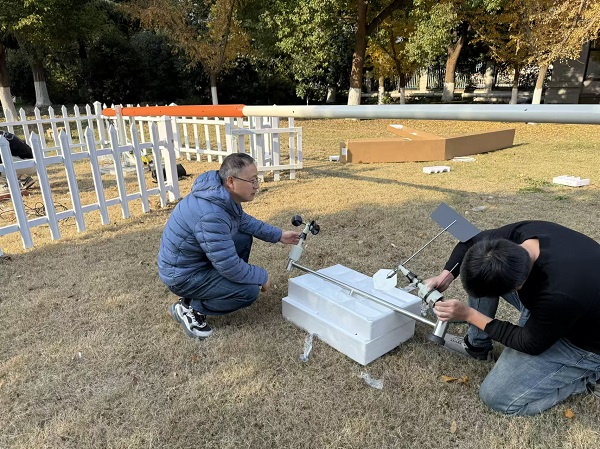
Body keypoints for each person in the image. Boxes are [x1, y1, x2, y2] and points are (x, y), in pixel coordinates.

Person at [426, 220, 600, 416]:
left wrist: (469, 314)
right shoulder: (517, 237)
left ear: (518, 287)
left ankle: (590, 375)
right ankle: (477, 347)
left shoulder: (558, 294)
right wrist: (446, 275)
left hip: (586, 340)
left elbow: (529, 343)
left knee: (496, 397)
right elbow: (470, 240)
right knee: (485, 274)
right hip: (565, 308)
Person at [158, 153, 300, 339]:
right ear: (231, 181)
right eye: (252, 181)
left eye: (257, 179)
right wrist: (261, 276)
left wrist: (278, 235)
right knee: (248, 291)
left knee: (242, 237)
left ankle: (213, 291)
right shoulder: (211, 215)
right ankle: (190, 308)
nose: (257, 186)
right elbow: (229, 265)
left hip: (195, 263)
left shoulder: (219, 194)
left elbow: (242, 221)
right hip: (182, 276)